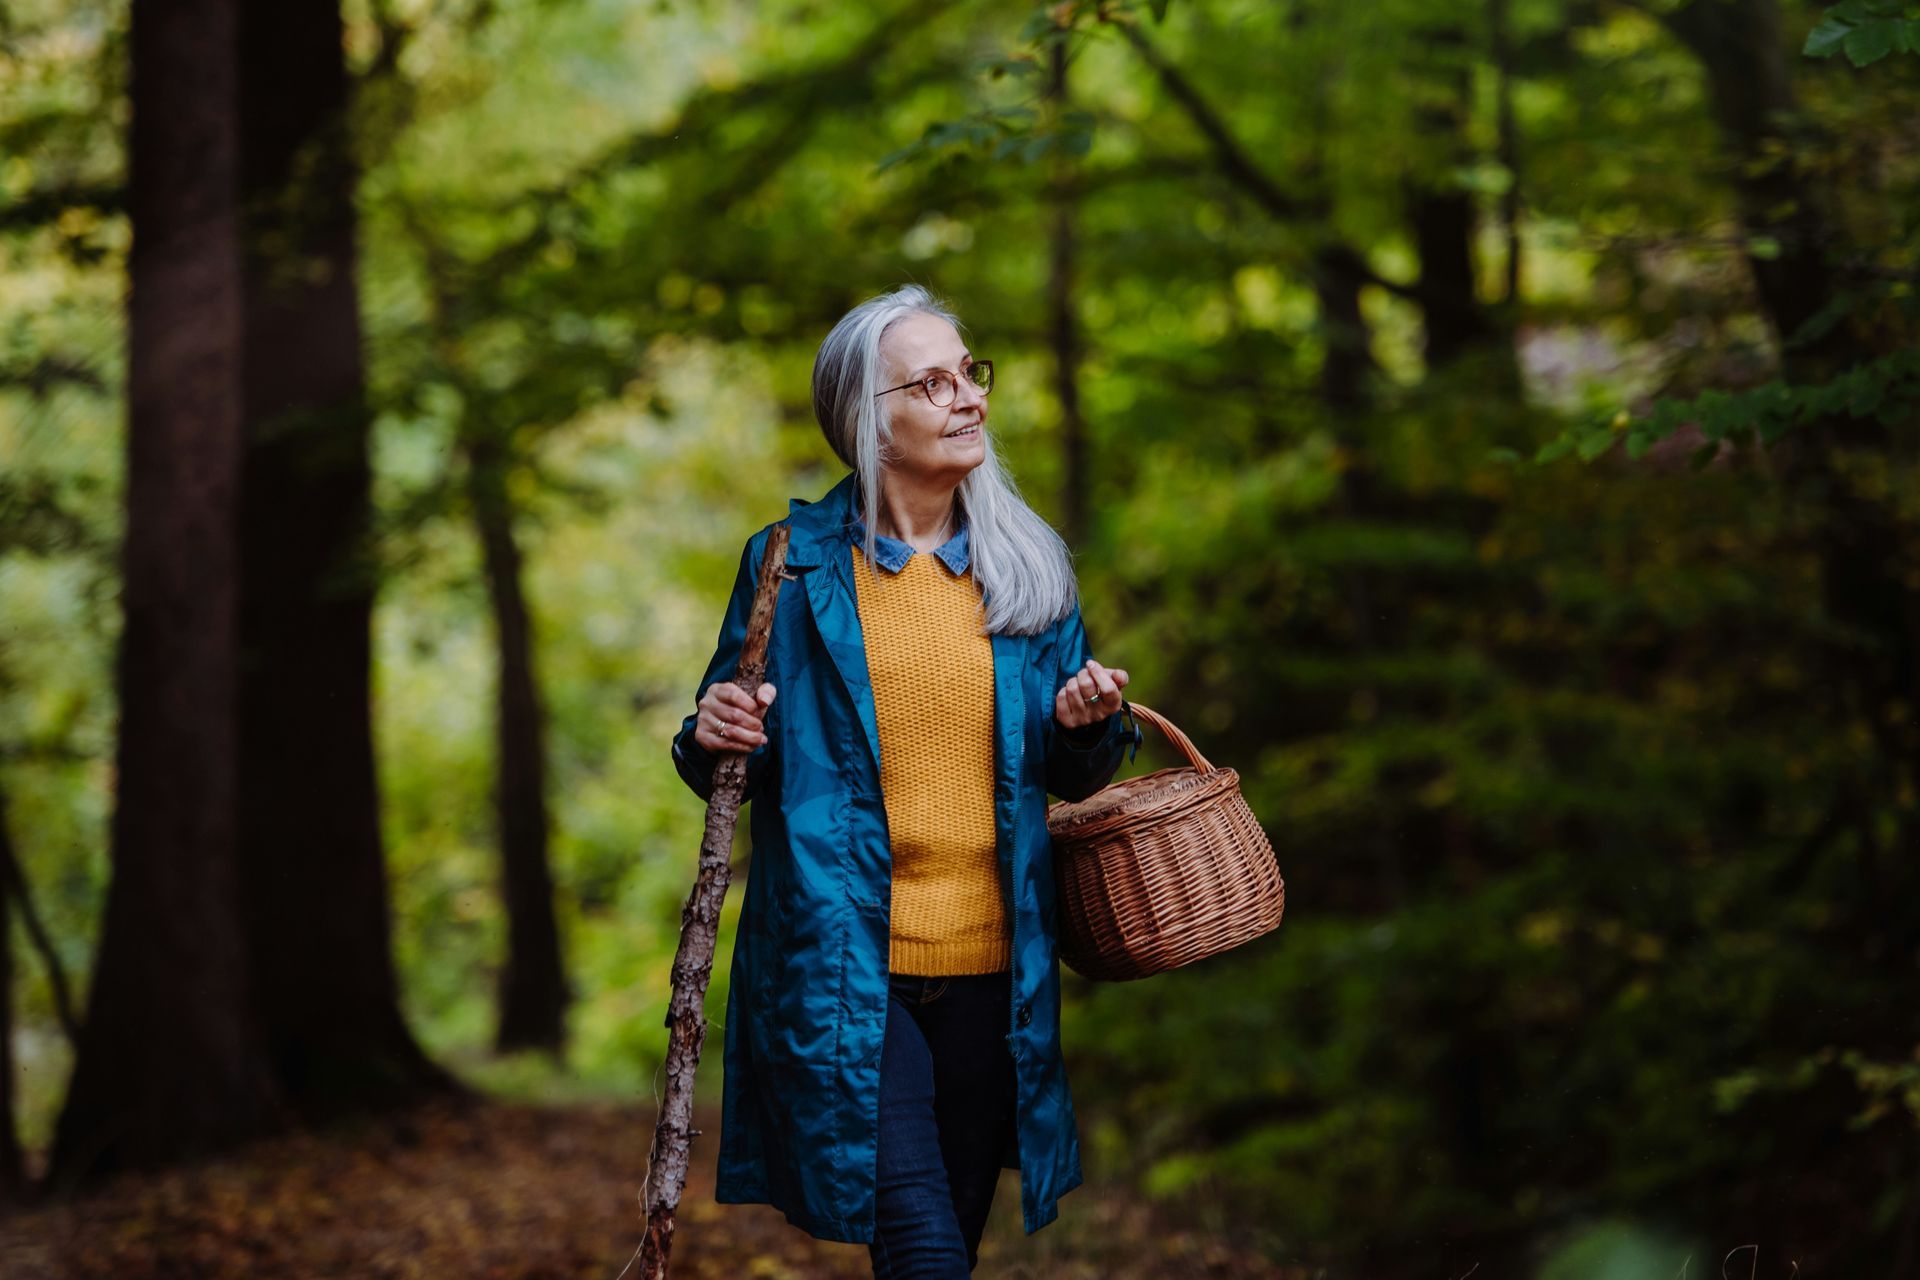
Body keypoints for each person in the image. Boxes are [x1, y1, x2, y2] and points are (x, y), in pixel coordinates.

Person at [670, 283, 1140, 1277]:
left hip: (997, 972)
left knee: (945, 1241)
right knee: (926, 1251)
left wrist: (1089, 724)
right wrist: (714, 729)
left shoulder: (1029, 564)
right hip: (845, 966)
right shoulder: (790, 567)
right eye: (932, 381)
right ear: (864, 418)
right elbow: (727, 755)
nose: (967, 395)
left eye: (971, 371)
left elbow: (1072, 773)